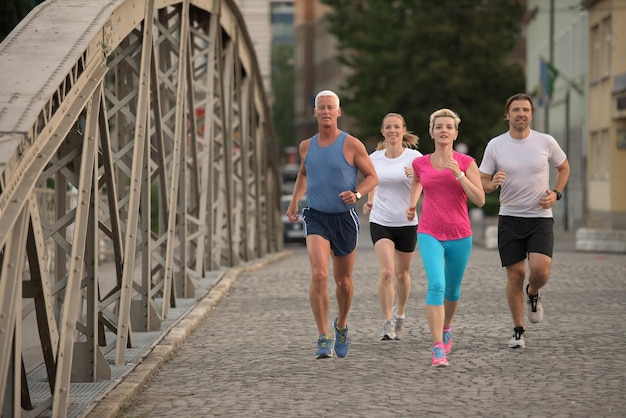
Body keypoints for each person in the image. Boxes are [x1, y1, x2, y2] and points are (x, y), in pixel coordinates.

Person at [286, 90, 378, 359]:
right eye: (321, 108)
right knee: (319, 274)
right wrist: (294, 202)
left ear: (338, 112)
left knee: (344, 282)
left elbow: (373, 176)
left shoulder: (352, 145)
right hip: (316, 217)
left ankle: (341, 326)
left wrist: (358, 194)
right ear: (314, 112)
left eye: (330, 108)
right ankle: (323, 336)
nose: (326, 112)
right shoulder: (306, 146)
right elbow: (304, 173)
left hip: (344, 218)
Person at [478, 93, 570, 349]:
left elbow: (564, 167)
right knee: (515, 275)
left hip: (540, 217)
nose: (521, 114)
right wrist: (491, 183)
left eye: (526, 110)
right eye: (516, 110)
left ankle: (534, 292)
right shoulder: (496, 145)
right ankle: (518, 330)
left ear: (531, 114)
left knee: (540, 270)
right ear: (507, 115)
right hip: (509, 217)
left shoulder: (546, 142)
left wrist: (556, 193)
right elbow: (481, 180)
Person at [406, 108, 485, 367]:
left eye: (449, 127)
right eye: (439, 126)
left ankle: (447, 326)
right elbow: (418, 182)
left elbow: (480, 199)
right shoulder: (421, 163)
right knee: (436, 286)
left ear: (455, 133)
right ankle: (437, 345)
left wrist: (459, 175)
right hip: (429, 232)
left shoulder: (466, 162)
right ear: (431, 132)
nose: (443, 130)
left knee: (452, 290)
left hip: (460, 234)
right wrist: (411, 204)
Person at [363, 113, 422, 341]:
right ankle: (387, 322)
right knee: (387, 272)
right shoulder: (374, 158)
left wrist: (413, 200)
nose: (392, 131)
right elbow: (372, 180)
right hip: (381, 220)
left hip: (407, 222)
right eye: (388, 127)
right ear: (383, 131)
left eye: (396, 127)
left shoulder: (415, 157)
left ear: (403, 130)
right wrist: (370, 199)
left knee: (402, 274)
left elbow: (426, 179)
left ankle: (400, 314)